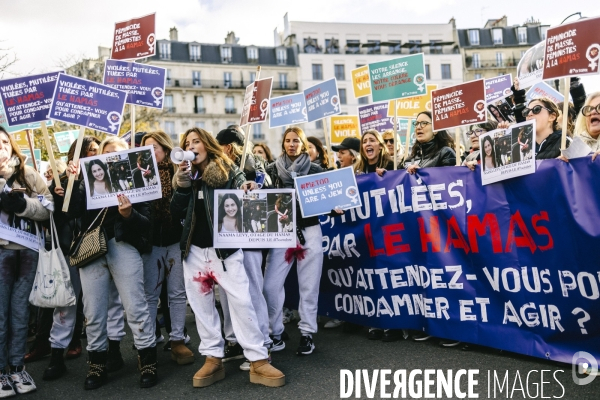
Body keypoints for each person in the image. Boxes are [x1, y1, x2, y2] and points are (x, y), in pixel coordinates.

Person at [170, 127, 285, 388]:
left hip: (225, 250)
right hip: (194, 251)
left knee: (242, 302)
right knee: (202, 307)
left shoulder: (226, 169)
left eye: (195, 141)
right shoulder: (186, 177)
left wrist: (247, 186)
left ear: (207, 144)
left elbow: (242, 186)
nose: (190, 145)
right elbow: (175, 211)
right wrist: (183, 186)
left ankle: (257, 358)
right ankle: (213, 357)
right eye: (186, 142)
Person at [67, 136, 157, 390]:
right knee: (93, 312)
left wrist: (128, 215)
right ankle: (97, 364)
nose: (111, 158)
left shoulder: (137, 183)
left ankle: (148, 360)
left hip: (123, 245)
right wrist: (72, 180)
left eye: (118, 154)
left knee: (135, 306)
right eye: (107, 154)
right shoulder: (85, 181)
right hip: (93, 249)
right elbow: (71, 211)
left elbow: (146, 223)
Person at [41, 136, 103, 381]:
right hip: (71, 251)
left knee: (96, 306)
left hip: (97, 250)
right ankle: (57, 356)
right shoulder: (62, 182)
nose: (93, 154)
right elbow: (52, 221)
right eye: (88, 151)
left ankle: (104, 355)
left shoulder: (103, 181)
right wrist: (58, 195)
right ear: (75, 156)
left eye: (97, 151)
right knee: (65, 306)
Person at [0, 127, 53, 397]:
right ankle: (0, 373)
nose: (0, 148)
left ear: (11, 146)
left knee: (20, 315)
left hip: (27, 251)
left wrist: (22, 205)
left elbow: (48, 208)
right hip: (1, 255)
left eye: (4, 142)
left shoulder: (29, 174)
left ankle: (17, 367)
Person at [215, 126, 273, 372]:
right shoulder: (235, 166)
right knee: (232, 292)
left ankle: (262, 343)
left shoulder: (250, 167)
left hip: (248, 237)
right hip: (234, 236)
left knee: (251, 289)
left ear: (228, 147)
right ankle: (239, 341)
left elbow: (265, 194)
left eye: (218, 147)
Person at [264, 127, 324, 355]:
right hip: (282, 233)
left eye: (296, 140)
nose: (291, 144)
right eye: (288, 140)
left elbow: (327, 198)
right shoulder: (271, 170)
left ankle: (307, 333)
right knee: (270, 286)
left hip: (309, 230)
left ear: (303, 143)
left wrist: (335, 208)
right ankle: (275, 331)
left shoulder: (316, 169)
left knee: (309, 286)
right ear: (283, 144)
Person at [139, 131, 193, 366]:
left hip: (173, 239)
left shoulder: (177, 171)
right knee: (150, 294)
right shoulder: (138, 176)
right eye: (146, 149)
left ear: (166, 149)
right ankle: (148, 342)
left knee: (177, 292)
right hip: (150, 241)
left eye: (155, 147)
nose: (151, 152)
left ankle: (178, 339)